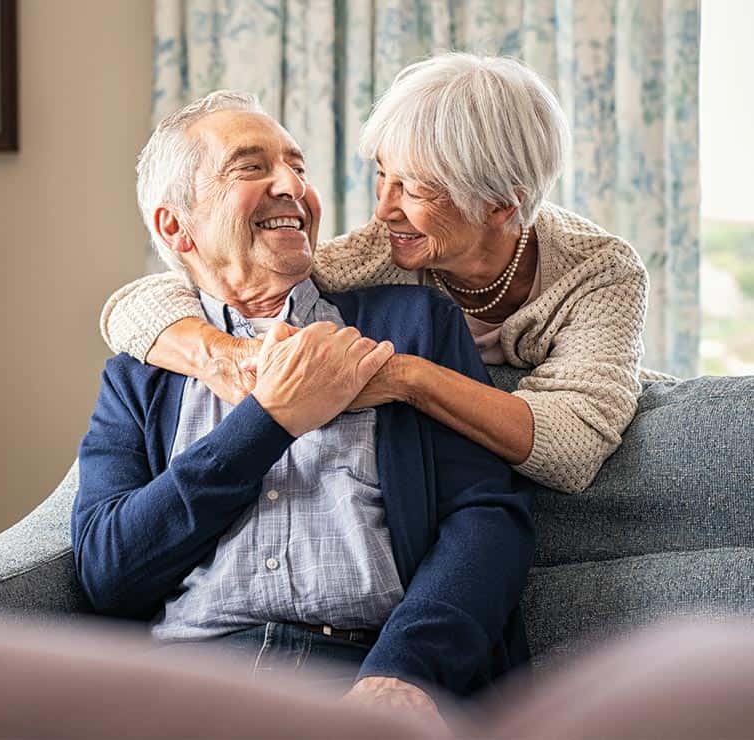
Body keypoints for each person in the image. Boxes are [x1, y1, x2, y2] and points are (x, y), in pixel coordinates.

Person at [72, 91, 534, 731]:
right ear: (177, 226)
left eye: (298, 167)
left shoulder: (410, 325)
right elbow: (107, 571)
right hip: (192, 686)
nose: (292, 185)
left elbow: (487, 520)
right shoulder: (139, 373)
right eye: (251, 167)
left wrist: (404, 672)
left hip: (364, 672)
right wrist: (270, 421)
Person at [100, 52, 648, 494]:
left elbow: (572, 450)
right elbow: (143, 302)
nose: (384, 208)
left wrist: (405, 378)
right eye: (383, 176)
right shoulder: (380, 250)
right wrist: (224, 356)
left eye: (413, 188)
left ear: (500, 205)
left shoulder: (599, 273)